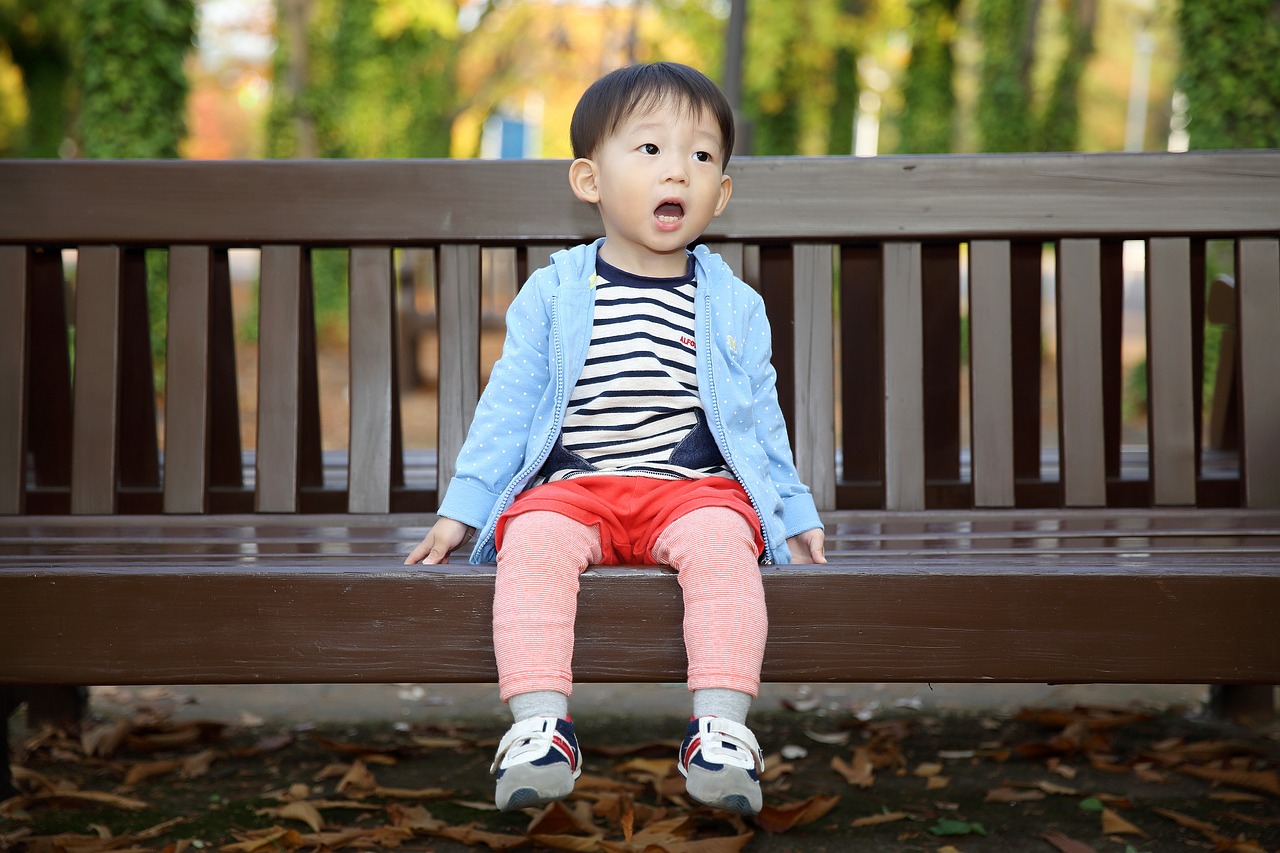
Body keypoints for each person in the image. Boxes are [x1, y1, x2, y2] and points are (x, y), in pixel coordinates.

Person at [405, 61, 826, 815]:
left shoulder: (733, 304)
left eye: (702, 157)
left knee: (727, 551)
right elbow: (509, 403)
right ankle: (539, 726)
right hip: (574, 490)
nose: (680, 171)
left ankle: (721, 733)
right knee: (529, 547)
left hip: (690, 489)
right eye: (651, 150)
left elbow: (761, 419)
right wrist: (463, 507)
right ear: (589, 180)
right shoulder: (557, 291)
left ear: (721, 194)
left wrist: (791, 512)